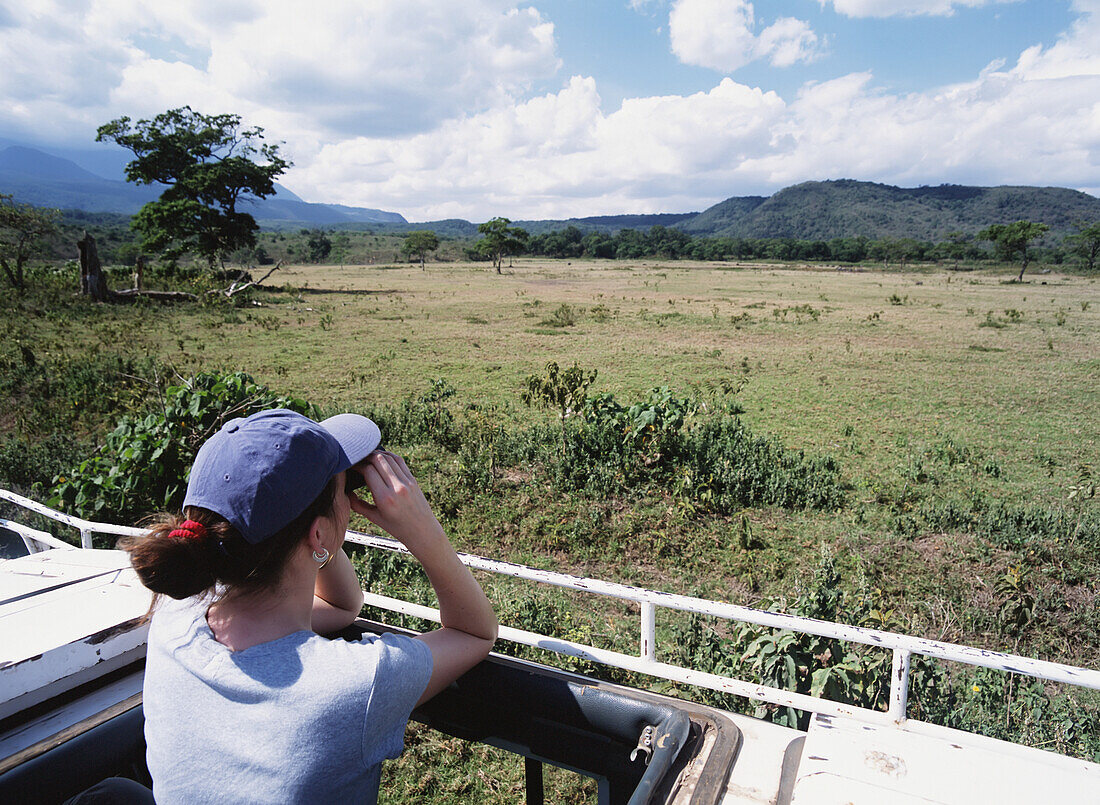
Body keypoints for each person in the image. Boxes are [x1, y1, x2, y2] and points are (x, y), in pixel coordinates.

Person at [119, 408, 498, 804]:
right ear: (317, 532)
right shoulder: (356, 684)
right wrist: (423, 531)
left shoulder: (174, 619)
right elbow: (473, 632)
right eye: (344, 489)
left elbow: (339, 605)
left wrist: (316, 531)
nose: (351, 499)